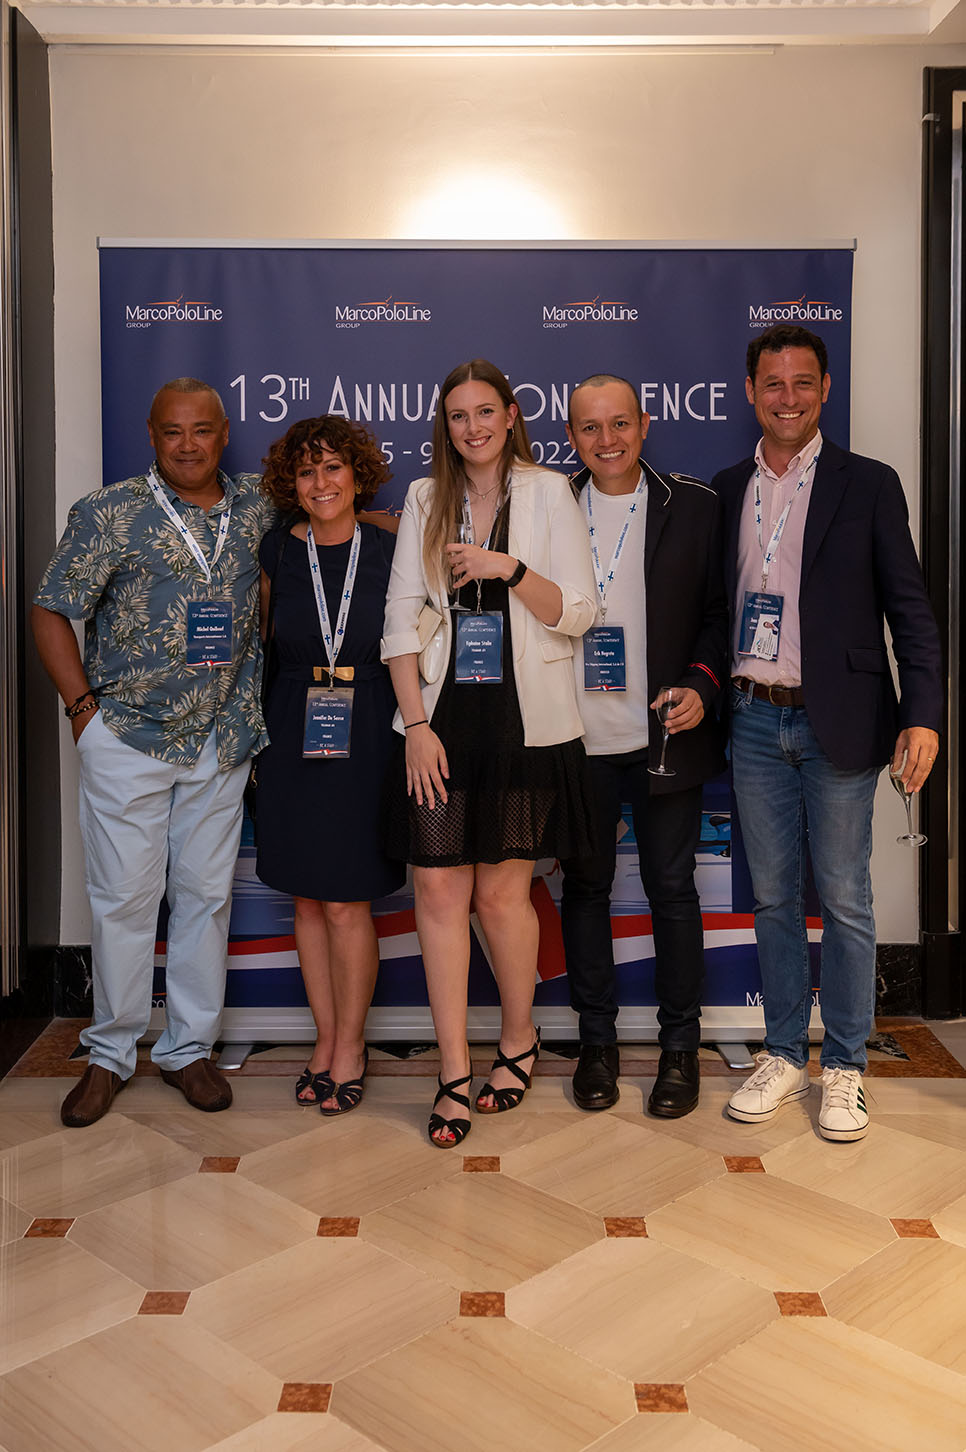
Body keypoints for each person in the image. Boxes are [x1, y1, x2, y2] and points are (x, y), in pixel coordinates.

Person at [713, 324, 942, 1142]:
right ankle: (783, 1054)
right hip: (752, 719)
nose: (788, 398)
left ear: (825, 389)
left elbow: (910, 610)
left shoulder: (869, 484)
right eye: (773, 383)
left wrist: (923, 713)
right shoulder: (727, 488)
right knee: (774, 897)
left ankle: (845, 1065)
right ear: (751, 392)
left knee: (844, 898)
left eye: (802, 382)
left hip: (838, 720)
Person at [32, 378, 272, 1127]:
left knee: (204, 899)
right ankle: (109, 1054)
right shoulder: (107, 512)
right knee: (124, 901)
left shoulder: (259, 503)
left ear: (224, 433)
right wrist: (83, 714)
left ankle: (187, 1050)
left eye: (202, 430)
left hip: (220, 741)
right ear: (152, 435)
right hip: (128, 738)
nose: (189, 445)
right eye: (174, 432)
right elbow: (51, 610)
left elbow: (343, 512)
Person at [381, 358, 597, 1147]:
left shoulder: (549, 492)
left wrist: (510, 569)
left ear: (510, 415)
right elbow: (398, 623)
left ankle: (517, 1039)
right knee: (439, 894)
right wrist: (415, 727)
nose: (472, 427)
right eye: (458, 416)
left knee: (504, 898)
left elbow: (578, 612)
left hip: (522, 723)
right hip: (442, 723)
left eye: (484, 412)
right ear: (445, 426)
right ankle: (451, 1071)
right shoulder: (424, 498)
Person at [560, 374, 728, 1118]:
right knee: (585, 891)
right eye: (590, 428)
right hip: (575, 740)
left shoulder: (693, 505)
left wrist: (702, 684)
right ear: (571, 436)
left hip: (665, 733)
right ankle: (595, 1044)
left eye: (620, 423)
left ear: (646, 423)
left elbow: (722, 615)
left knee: (672, 890)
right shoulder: (548, 503)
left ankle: (680, 1049)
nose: (608, 440)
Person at [256, 416, 404, 1114]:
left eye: (333, 467)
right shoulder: (276, 550)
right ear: (292, 483)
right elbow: (261, 644)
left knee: (346, 900)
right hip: (292, 725)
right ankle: (324, 1038)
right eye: (307, 470)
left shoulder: (393, 547)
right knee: (308, 898)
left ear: (357, 474)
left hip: (369, 725)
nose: (321, 482)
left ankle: (351, 1045)